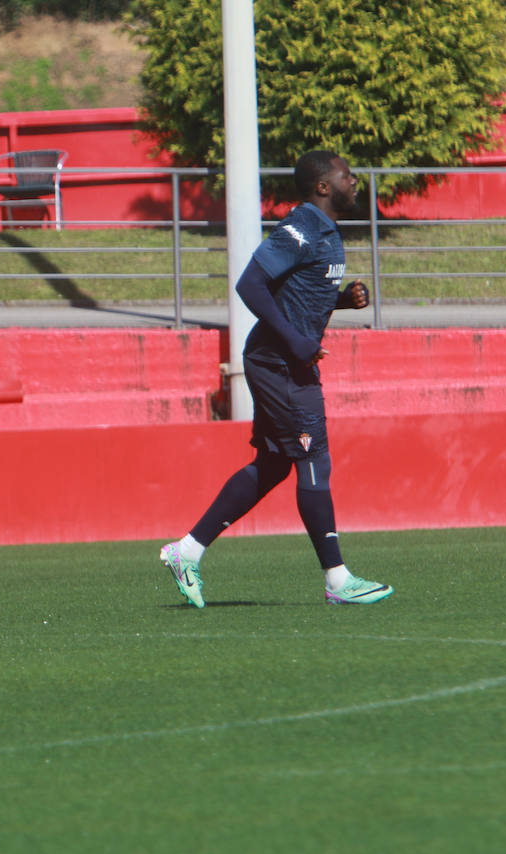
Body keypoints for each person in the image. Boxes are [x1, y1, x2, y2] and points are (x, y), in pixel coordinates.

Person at [159, 150, 393, 608]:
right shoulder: (300, 227)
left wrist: (340, 302)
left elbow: (296, 295)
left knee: (272, 466)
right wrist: (296, 342)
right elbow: (250, 284)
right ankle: (338, 580)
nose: (354, 181)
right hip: (280, 364)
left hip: (286, 361)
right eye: (347, 175)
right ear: (323, 186)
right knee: (314, 460)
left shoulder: (325, 231)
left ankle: (185, 551)